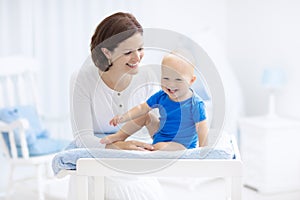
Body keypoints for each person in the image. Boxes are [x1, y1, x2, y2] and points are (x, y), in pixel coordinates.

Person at [69, 12, 165, 200]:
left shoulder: (148, 78)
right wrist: (120, 146)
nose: (137, 57)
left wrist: (152, 120)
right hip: (96, 163)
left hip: (135, 164)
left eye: (140, 49)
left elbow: (160, 136)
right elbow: (82, 139)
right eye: (128, 52)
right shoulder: (83, 78)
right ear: (107, 52)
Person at [101, 51, 209, 150]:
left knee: (159, 147)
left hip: (181, 145)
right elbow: (142, 108)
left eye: (178, 79)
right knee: (144, 115)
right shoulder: (162, 96)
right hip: (160, 134)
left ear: (191, 80)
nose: (171, 84)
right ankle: (119, 136)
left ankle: (149, 149)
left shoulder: (195, 103)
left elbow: (202, 127)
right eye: (166, 78)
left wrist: (203, 149)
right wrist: (123, 117)